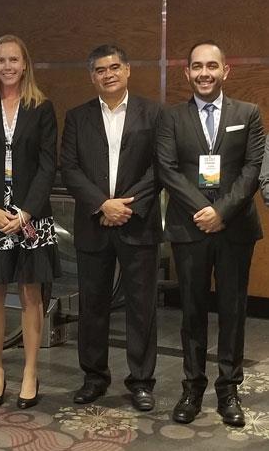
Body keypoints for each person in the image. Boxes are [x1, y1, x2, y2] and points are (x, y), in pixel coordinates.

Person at [157, 41, 263, 427]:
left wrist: (221, 211)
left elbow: (252, 167)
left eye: (212, 66)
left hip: (235, 228)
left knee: (233, 311)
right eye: (197, 66)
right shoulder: (171, 118)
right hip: (190, 228)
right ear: (186, 72)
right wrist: (201, 210)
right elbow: (167, 168)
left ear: (225, 71)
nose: (204, 73)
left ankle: (229, 389)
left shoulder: (248, 113)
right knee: (192, 310)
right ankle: (192, 387)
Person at [61, 44, 163, 411]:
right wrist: (102, 204)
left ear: (128, 70)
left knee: (141, 306)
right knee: (93, 305)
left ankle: (141, 381)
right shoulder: (77, 117)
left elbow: (160, 167)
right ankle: (94, 377)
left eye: (115, 66)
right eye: (100, 69)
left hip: (138, 222)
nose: (109, 74)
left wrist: (125, 207)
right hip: (93, 222)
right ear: (92, 76)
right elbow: (69, 168)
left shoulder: (153, 113)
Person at [0, 34, 59, 410]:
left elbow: (49, 165)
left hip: (30, 217)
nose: (8, 66)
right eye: (1, 60)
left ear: (25, 64)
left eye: (14, 60)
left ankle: (31, 372)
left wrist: (26, 213)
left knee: (31, 293)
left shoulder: (42, 107)